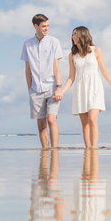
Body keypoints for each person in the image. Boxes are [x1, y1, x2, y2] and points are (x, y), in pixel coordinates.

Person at [55, 26, 111, 148]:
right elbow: (71, 77)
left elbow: (103, 70)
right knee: (85, 124)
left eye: (75, 34)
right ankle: (88, 150)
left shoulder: (96, 50)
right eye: (72, 35)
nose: (73, 37)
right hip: (80, 89)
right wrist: (61, 91)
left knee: (92, 119)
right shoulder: (72, 55)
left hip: (94, 88)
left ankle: (94, 147)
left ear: (83, 35)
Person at [21, 13, 64, 149]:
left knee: (51, 119)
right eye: (44, 26)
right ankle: (45, 151)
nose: (46, 28)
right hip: (35, 89)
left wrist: (59, 86)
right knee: (41, 125)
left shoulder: (54, 42)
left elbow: (56, 66)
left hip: (52, 87)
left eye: (47, 26)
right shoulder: (27, 44)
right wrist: (30, 89)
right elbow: (27, 69)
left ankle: (55, 150)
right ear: (36, 26)